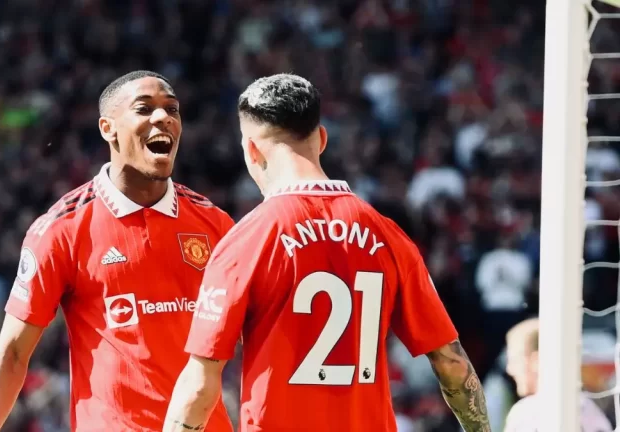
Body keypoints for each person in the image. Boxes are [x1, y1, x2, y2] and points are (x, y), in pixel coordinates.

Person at [163, 74, 491, 432]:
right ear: (321, 140)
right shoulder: (388, 234)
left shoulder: (246, 241)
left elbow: (199, 385)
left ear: (252, 150)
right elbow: (452, 364)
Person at [0, 70, 235, 432]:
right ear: (108, 128)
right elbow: (13, 352)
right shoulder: (61, 229)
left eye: (172, 109)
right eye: (144, 109)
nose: (164, 118)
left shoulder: (214, 224)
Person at [503, 318, 612, 431]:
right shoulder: (593, 411)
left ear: (536, 360)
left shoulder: (526, 413)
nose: (509, 369)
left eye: (515, 360)